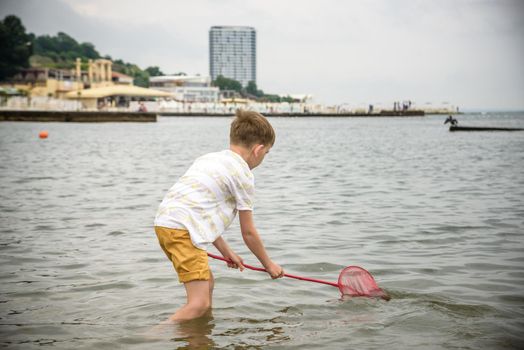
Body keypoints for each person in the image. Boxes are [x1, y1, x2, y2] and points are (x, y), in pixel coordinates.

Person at [154, 109, 284, 322]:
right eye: (267, 153)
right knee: (198, 304)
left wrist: (226, 252)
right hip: (182, 231)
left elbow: (199, 214)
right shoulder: (243, 174)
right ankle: (147, 340)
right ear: (259, 150)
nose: (264, 158)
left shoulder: (210, 159)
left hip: (166, 224)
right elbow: (249, 232)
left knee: (207, 284)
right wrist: (268, 265)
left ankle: (199, 337)